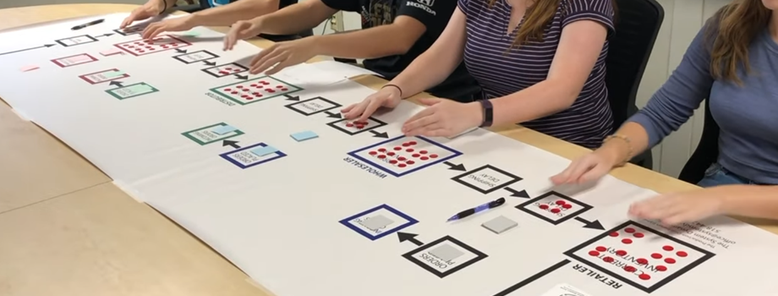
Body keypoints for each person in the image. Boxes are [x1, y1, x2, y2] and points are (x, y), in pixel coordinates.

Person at [550, 0, 778, 225]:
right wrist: (611, 150)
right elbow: (662, 112)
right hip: (723, 185)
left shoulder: (718, 198)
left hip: (733, 200)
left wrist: (719, 198)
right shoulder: (729, 25)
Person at [340, 0, 617, 148]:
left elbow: (561, 90)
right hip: (497, 135)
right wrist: (395, 89)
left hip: (567, 147)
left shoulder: (586, 2)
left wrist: (476, 113)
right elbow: (440, 56)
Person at [220, 0, 478, 102]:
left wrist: (316, 44)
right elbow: (314, 9)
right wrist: (262, 23)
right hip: (379, 84)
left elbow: (401, 37)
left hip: (437, 93)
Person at [119, 0, 306, 42]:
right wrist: (160, 3)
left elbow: (266, 5)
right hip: (213, 33)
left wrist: (195, 19)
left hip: (268, 40)